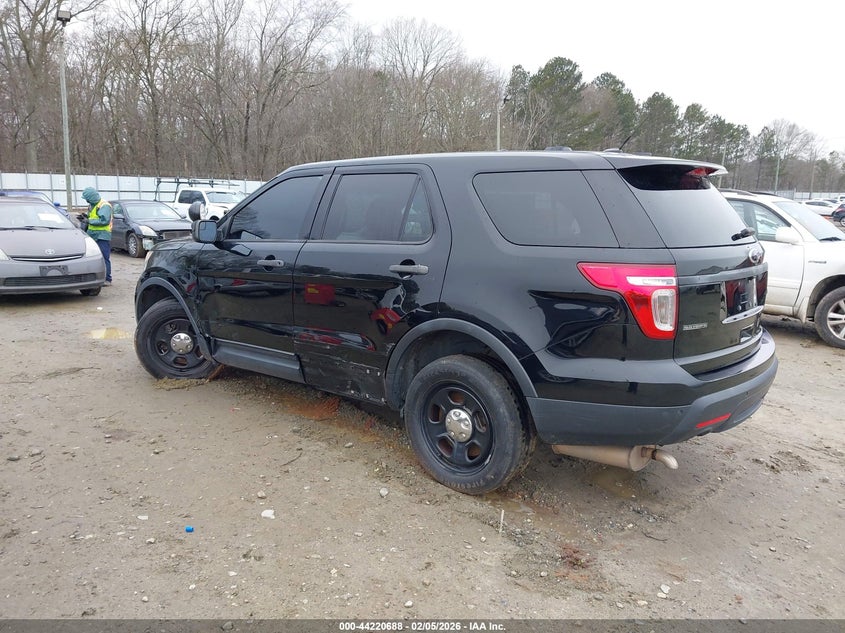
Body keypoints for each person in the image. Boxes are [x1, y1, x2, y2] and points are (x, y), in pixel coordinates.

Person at [81, 186, 113, 285]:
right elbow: (92, 217)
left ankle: (107, 279)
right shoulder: (92, 205)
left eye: (87, 199)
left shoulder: (104, 205)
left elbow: (104, 220)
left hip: (102, 235)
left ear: (91, 197)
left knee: (104, 257)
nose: (86, 201)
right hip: (92, 234)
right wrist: (85, 218)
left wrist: (89, 220)